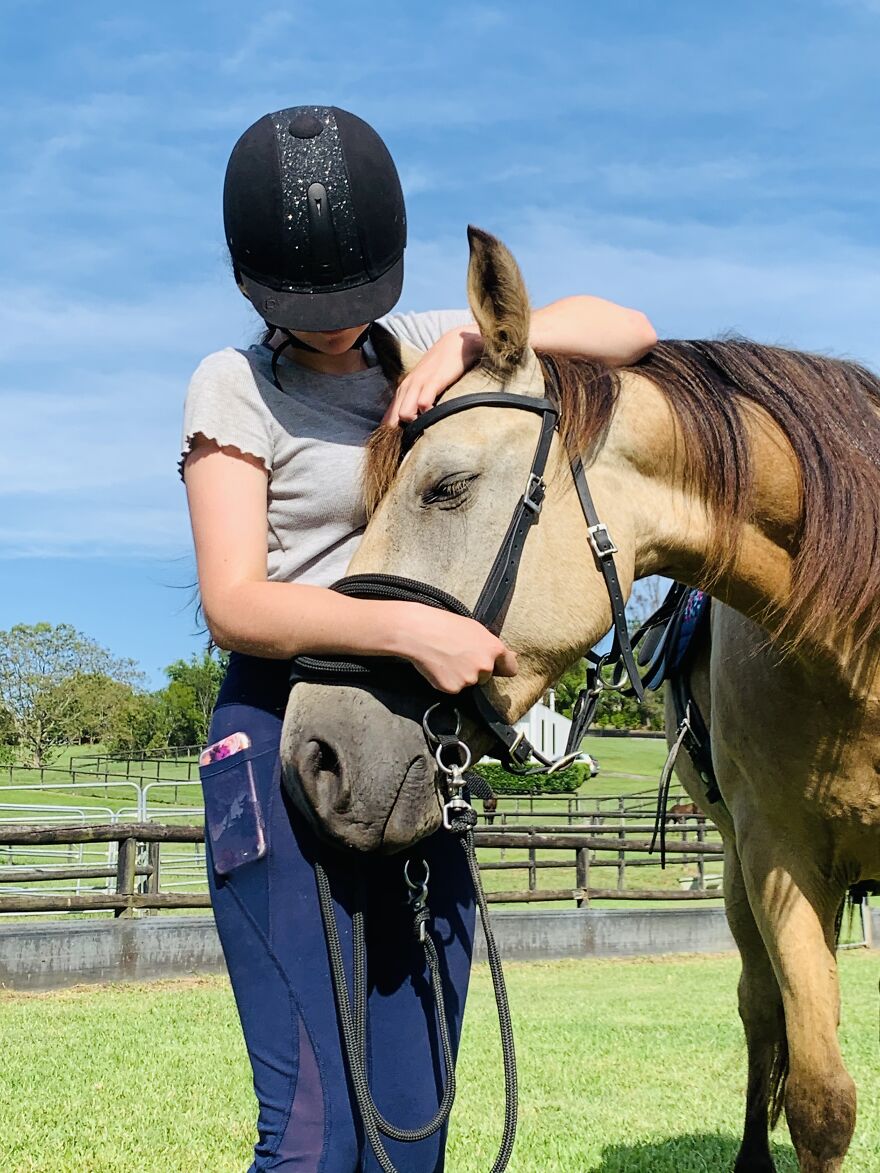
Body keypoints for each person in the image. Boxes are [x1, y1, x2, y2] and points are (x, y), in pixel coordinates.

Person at [180, 104, 656, 1173]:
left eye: (355, 304)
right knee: (313, 1135)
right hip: (278, 727)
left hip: (414, 736)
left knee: (414, 1123)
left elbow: (629, 329)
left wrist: (456, 341)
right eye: (310, 311)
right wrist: (410, 627)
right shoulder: (232, 384)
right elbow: (234, 602)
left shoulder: (425, 345)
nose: (337, 329)